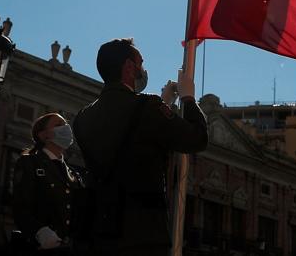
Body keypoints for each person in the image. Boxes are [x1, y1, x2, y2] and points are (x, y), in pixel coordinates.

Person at [72, 38, 208, 255]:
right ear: (128, 67)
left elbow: (128, 130)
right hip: (143, 234)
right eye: (141, 63)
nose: (143, 70)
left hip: (100, 232)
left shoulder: (82, 117)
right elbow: (197, 138)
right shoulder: (148, 107)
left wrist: (163, 105)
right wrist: (189, 98)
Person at [12, 113, 82, 252]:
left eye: (66, 124)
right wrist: (40, 232)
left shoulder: (73, 174)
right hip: (40, 247)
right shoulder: (29, 163)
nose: (66, 128)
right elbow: (20, 207)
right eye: (58, 125)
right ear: (43, 135)